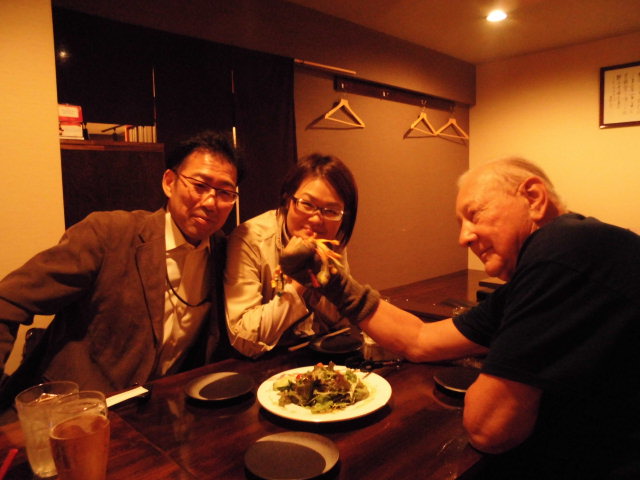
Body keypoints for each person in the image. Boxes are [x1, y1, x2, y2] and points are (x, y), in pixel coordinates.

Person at [279, 157, 640, 479]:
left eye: (474, 214)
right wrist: (335, 283)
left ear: (533, 198)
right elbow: (420, 339)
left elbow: (489, 430)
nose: (463, 237)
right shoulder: (556, 260)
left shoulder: (560, 253)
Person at [0, 130, 243, 409]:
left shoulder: (225, 252)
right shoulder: (109, 235)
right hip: (73, 409)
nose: (211, 202)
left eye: (225, 192)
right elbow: (8, 300)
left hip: (155, 411)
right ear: (169, 182)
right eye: (199, 185)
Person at [224, 154, 358, 358]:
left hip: (318, 356)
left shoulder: (330, 243)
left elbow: (343, 319)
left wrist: (320, 278)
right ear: (288, 200)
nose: (317, 220)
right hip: (264, 363)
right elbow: (243, 337)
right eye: (307, 204)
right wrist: (299, 282)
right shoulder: (250, 240)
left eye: (331, 211)